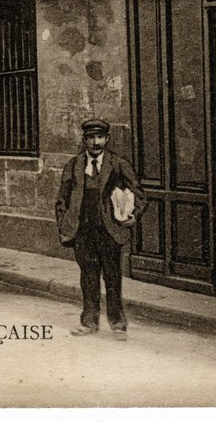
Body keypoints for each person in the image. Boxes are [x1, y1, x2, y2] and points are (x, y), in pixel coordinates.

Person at [56, 118, 147, 341]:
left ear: (107, 138)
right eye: (91, 137)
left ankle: (117, 323)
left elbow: (139, 194)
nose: (95, 142)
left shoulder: (117, 164)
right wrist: (65, 225)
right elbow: (62, 200)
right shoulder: (74, 165)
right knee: (88, 276)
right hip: (83, 231)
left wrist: (132, 216)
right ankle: (89, 322)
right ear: (84, 139)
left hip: (109, 231)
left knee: (113, 277)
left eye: (100, 137)